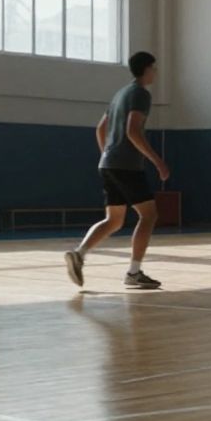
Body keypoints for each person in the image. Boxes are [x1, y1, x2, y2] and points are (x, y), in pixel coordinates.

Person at [64, 52, 171, 289]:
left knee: (114, 219)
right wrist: (157, 161)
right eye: (154, 68)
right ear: (146, 69)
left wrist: (106, 154)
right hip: (126, 166)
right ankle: (134, 272)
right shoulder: (141, 94)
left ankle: (79, 254)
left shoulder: (120, 94)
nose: (156, 72)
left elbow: (100, 129)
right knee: (149, 215)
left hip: (109, 163)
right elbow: (133, 131)